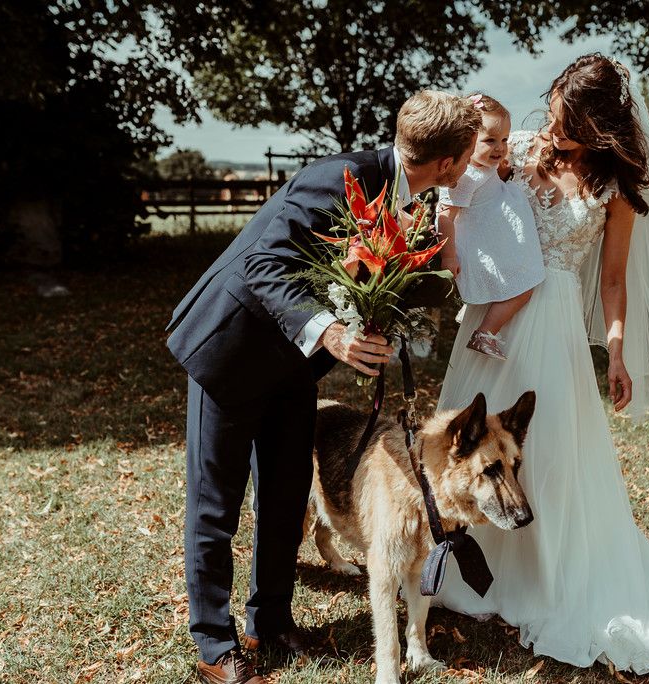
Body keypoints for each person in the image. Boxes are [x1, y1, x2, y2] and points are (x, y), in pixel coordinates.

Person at [432, 54, 649, 683]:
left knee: (548, 450)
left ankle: (540, 572)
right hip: (495, 310)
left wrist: (615, 351)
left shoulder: (613, 189)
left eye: (567, 120)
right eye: (554, 113)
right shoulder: (525, 147)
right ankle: (456, 559)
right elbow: (469, 186)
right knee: (465, 442)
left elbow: (612, 281)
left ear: (597, 124)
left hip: (553, 323)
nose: (553, 127)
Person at [165, 91, 480, 684]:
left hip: (293, 365)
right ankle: (214, 644)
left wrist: (374, 329)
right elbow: (263, 260)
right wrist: (332, 332)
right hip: (230, 352)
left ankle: (272, 621)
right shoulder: (341, 178)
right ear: (450, 161)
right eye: (466, 157)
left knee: (285, 495)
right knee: (216, 506)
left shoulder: (410, 201)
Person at [436, 93, 545, 360]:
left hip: (494, 238)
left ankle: (486, 330)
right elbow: (444, 216)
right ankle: (486, 332)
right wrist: (448, 256)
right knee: (524, 286)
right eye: (490, 141)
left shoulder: (482, 168)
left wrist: (500, 170)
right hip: (481, 246)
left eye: (505, 140)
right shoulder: (462, 177)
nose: (500, 147)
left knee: (522, 283)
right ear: (467, 141)